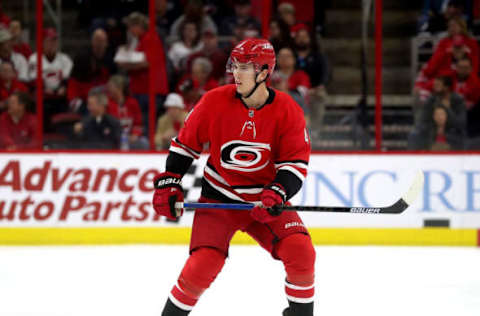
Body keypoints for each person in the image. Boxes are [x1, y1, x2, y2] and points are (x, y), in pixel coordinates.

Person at [152, 38, 315, 316]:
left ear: (264, 72)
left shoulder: (288, 110)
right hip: (220, 200)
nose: (236, 73)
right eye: (235, 66)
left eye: (245, 67)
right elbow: (185, 146)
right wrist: (170, 181)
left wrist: (278, 192)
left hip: (264, 202)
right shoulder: (215, 101)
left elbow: (294, 165)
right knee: (201, 266)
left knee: (301, 252)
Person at [28, 28, 73, 132]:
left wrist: (64, 87)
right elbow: (33, 81)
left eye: (55, 40)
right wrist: (44, 89)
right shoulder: (34, 58)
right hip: (43, 97)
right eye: (49, 40)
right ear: (42, 42)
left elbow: (68, 79)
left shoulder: (65, 59)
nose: (53, 43)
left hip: (61, 97)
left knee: (66, 108)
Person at [409, 76, 466, 150]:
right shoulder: (431, 100)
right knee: (415, 134)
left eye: (438, 85)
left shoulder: (458, 100)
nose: (434, 88)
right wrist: (434, 127)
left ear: (446, 87)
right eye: (435, 85)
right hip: (432, 131)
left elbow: (461, 123)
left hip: (453, 132)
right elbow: (422, 120)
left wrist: (448, 110)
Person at [68, 28, 111, 114]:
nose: (100, 44)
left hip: (100, 96)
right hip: (80, 97)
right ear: (93, 42)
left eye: (102, 41)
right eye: (98, 40)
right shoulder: (83, 57)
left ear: (106, 43)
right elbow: (74, 84)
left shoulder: (108, 58)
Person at [106, 74, 148, 150]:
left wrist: (135, 134)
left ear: (120, 88)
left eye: (111, 87)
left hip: (130, 138)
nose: (108, 90)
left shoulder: (132, 103)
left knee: (144, 142)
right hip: (115, 139)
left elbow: (138, 123)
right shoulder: (107, 104)